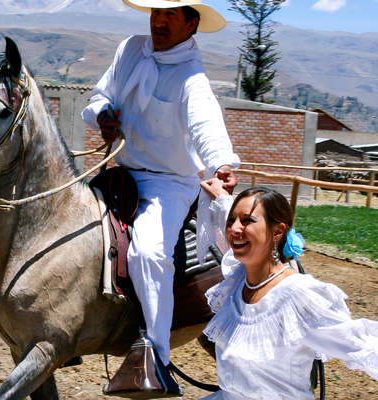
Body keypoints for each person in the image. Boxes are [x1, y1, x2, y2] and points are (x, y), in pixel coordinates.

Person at [81, 0, 240, 386]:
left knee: (149, 252)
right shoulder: (130, 48)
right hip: (121, 172)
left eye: (170, 14)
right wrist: (104, 115)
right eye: (156, 13)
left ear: (191, 24)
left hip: (169, 182)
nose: (160, 21)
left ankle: (155, 358)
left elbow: (206, 126)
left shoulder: (193, 78)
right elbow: (98, 96)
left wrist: (220, 163)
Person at [197, 181, 378, 399]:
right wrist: (220, 195)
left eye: (247, 221)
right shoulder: (237, 280)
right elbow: (236, 226)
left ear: (278, 231)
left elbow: (360, 343)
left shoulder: (300, 296)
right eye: (232, 221)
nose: (234, 228)